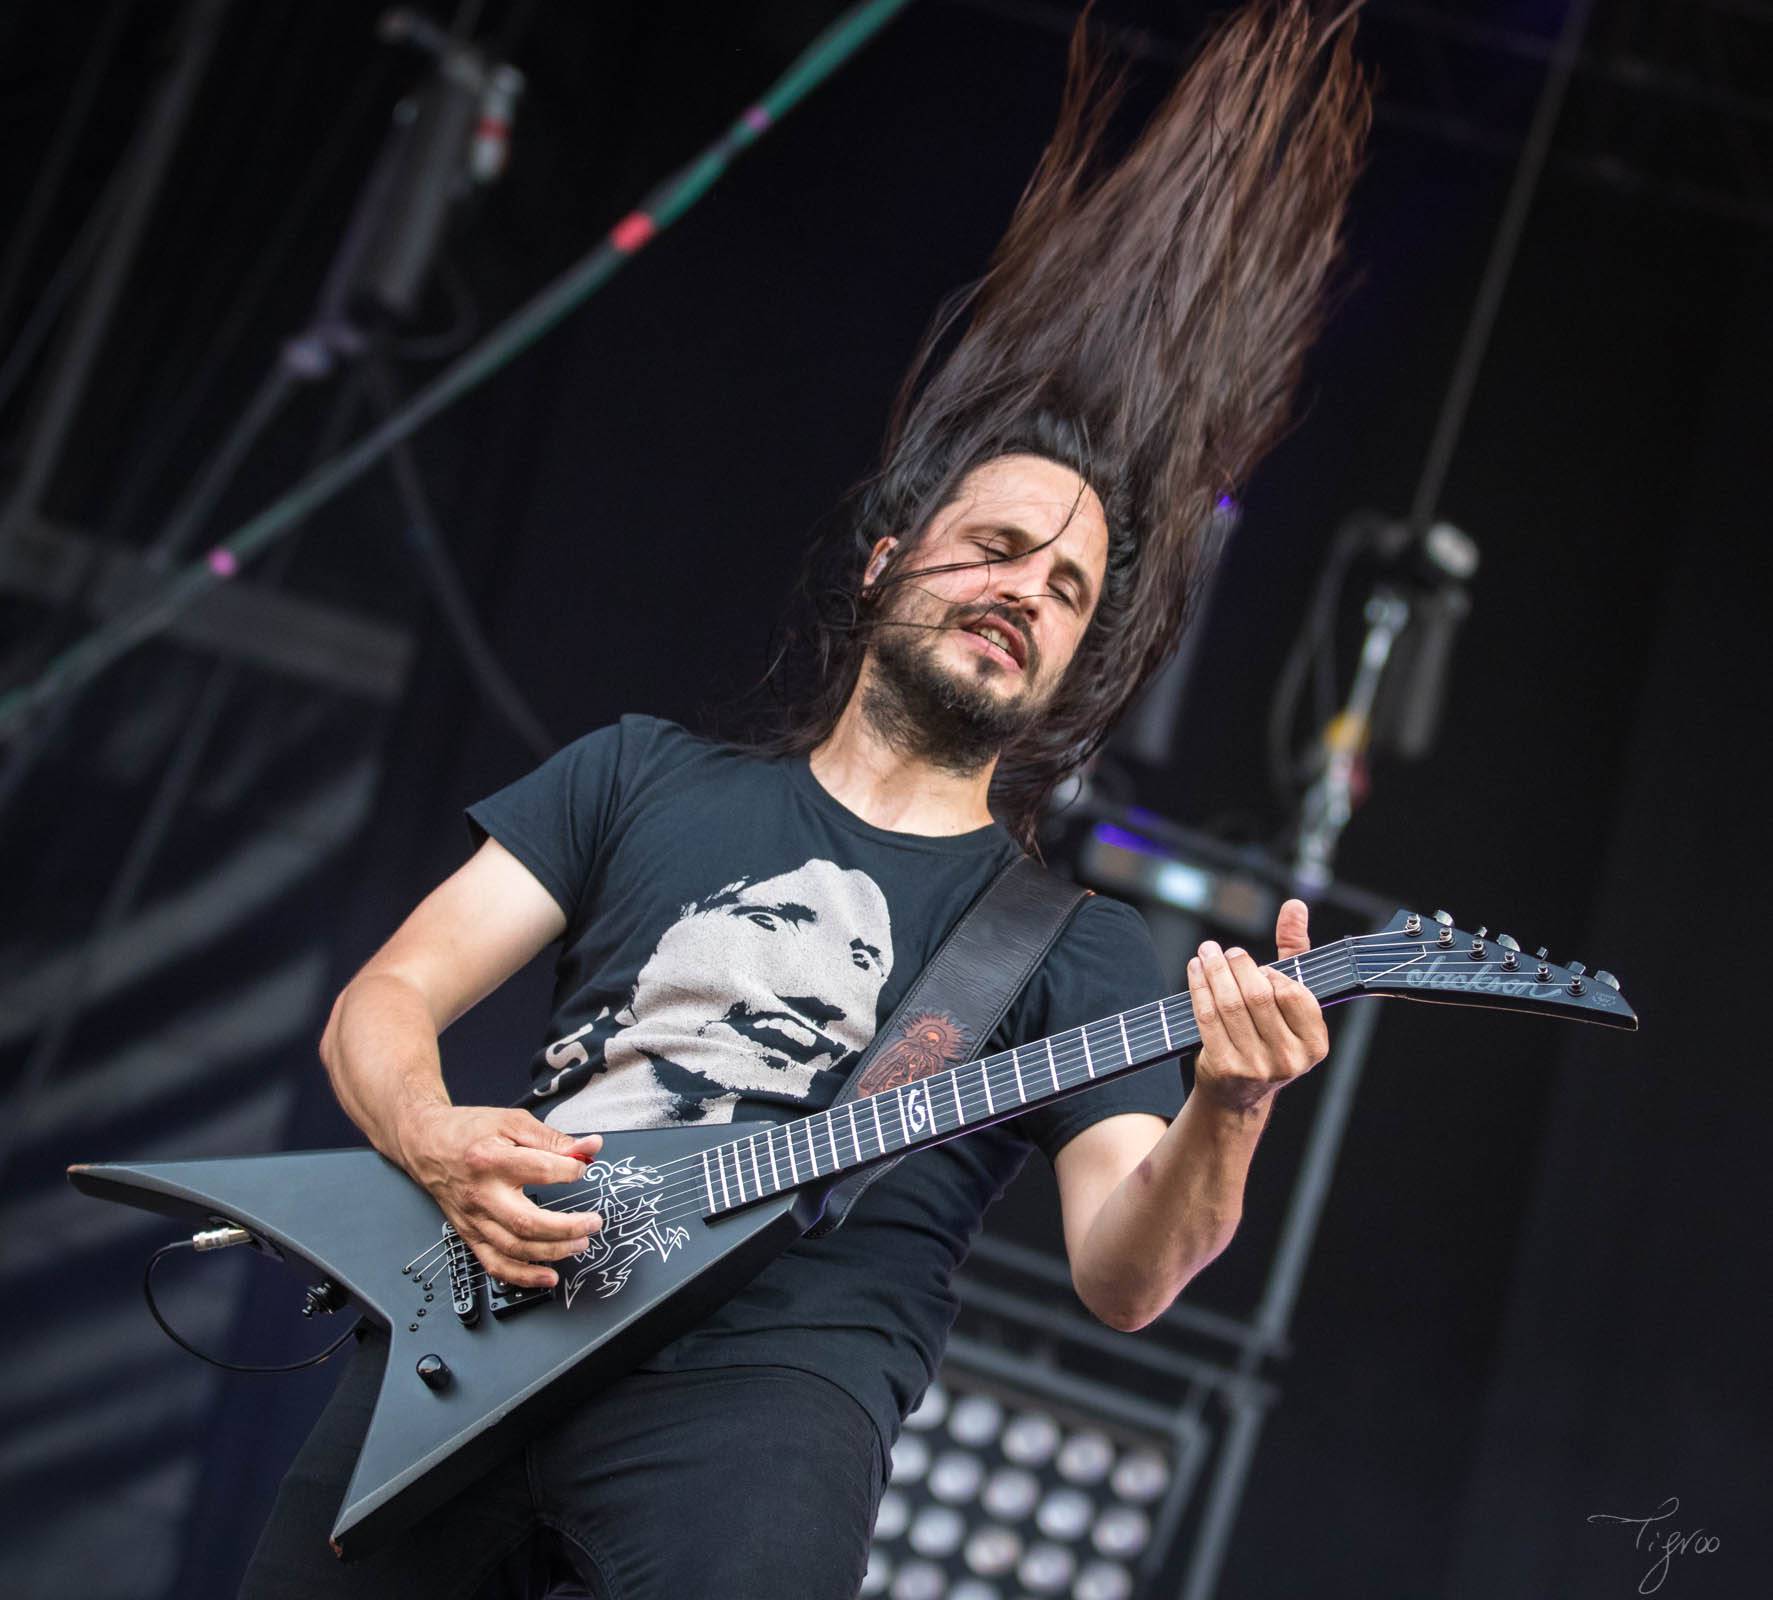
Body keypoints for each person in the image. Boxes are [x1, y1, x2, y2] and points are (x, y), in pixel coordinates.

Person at [240, 3, 1371, 1595]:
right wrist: (434, 1146)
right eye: (992, 547)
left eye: (1064, 587)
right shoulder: (637, 774)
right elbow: (388, 1000)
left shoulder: (1069, 951)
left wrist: (1229, 1110)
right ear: (884, 559)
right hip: (482, 1320)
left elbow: (1129, 1272)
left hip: (771, 1392)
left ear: (1065, 666)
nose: (1024, 592)